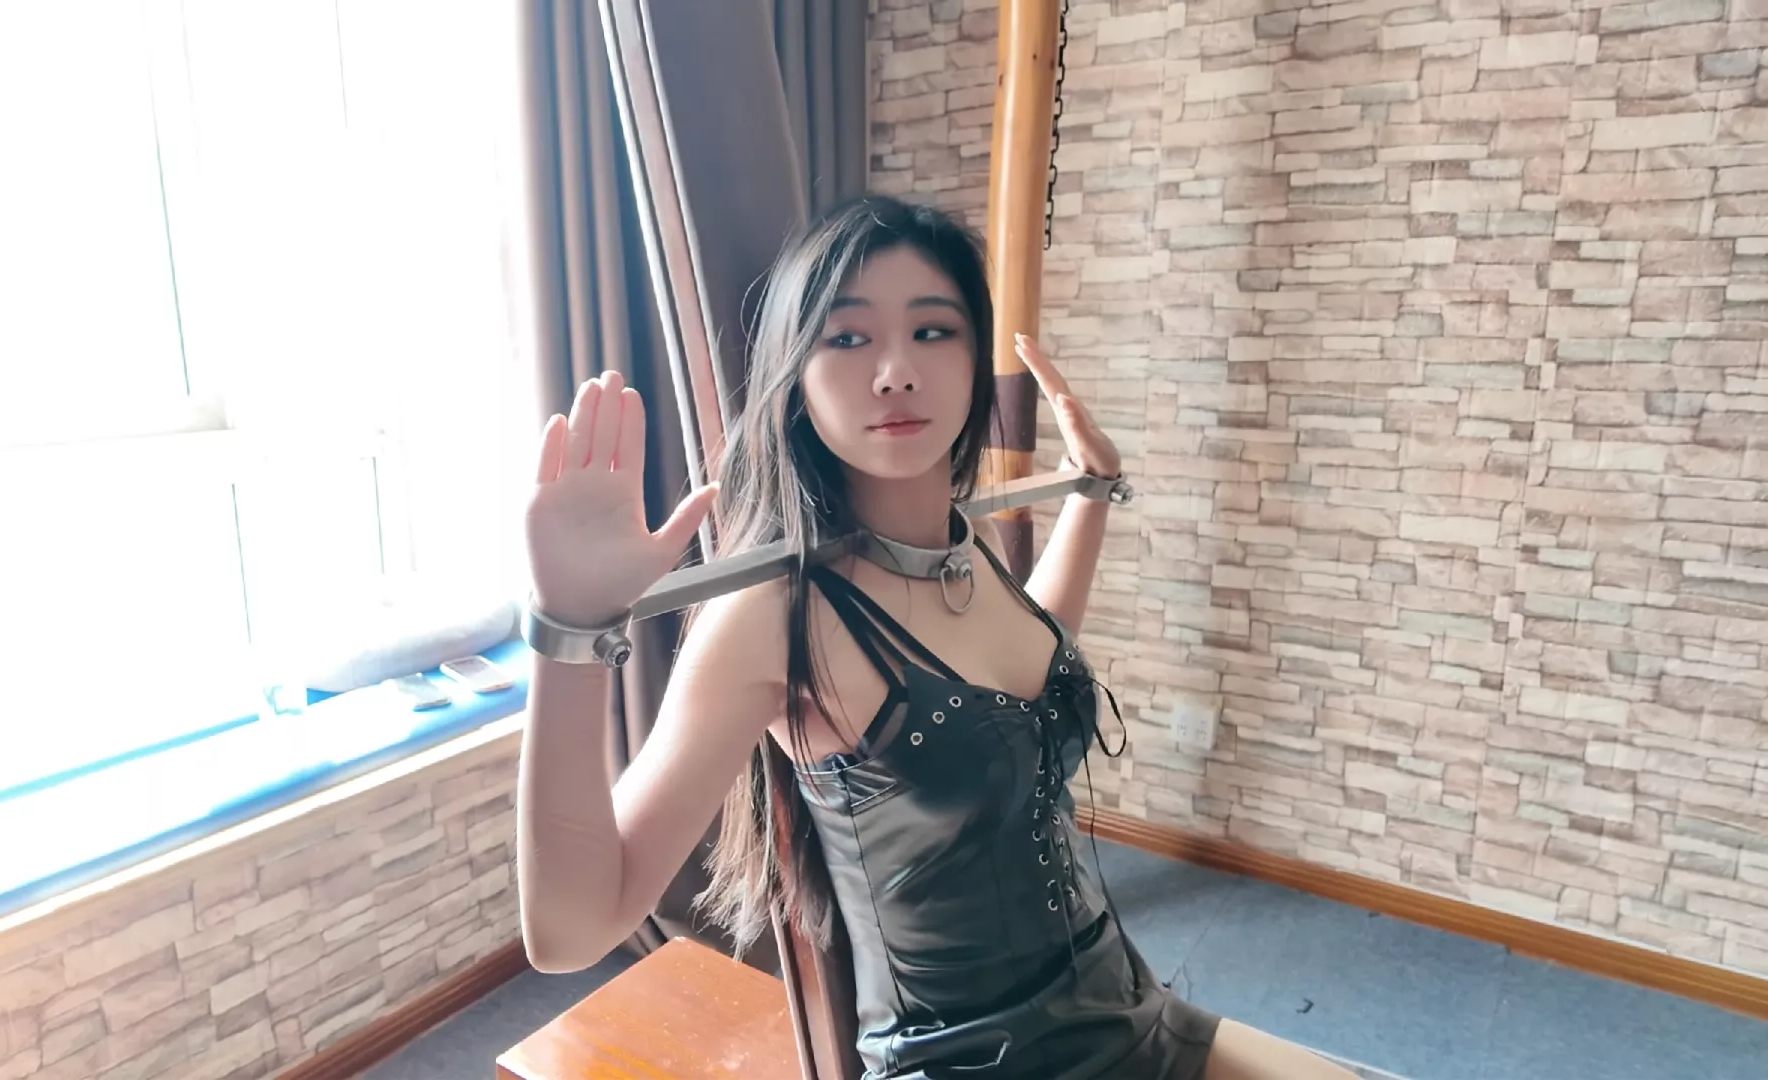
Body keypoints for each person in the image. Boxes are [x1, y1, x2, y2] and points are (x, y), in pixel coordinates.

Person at [515, 194, 1358, 1080]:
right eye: (848, 338)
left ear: (974, 360)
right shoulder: (773, 615)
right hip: (968, 1061)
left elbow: (1028, 664)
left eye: (932, 331)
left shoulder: (966, 544)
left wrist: (1094, 491)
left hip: (1117, 1000)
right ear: (794, 374)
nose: (894, 372)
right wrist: (569, 627)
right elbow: (572, 932)